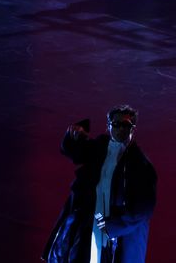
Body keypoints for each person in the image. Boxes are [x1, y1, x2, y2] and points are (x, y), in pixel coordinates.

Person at [43, 105, 157, 263]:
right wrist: (74, 136)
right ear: (109, 126)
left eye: (126, 125)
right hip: (89, 222)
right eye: (116, 125)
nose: (121, 130)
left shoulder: (140, 164)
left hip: (115, 232)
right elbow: (76, 152)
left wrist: (110, 226)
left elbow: (143, 209)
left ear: (133, 129)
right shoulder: (100, 147)